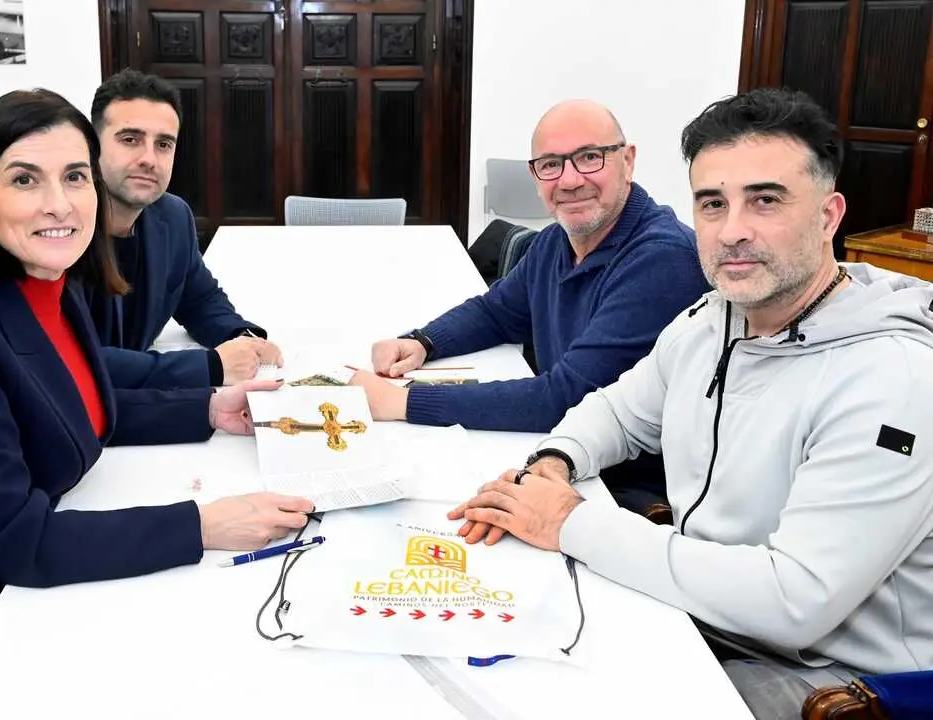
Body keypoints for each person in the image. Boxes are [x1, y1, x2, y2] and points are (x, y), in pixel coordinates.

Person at [452, 88, 933, 720]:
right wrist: (555, 461)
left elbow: (794, 601)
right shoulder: (713, 318)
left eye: (765, 200)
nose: (732, 231)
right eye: (713, 203)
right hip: (701, 611)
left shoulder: (892, 378)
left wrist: (569, 522)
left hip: (826, 676)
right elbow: (618, 410)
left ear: (827, 215)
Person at [0, 89, 313, 719]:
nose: (60, 203)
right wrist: (202, 525)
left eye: (75, 176)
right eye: (25, 179)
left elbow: (66, 405)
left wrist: (208, 409)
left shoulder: (47, 277)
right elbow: (17, 540)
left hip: (30, 597)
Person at [351, 99, 709, 510]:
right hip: (559, 454)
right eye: (551, 164)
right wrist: (423, 341)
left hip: (622, 494)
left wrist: (402, 402)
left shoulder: (663, 261)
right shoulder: (557, 241)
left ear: (627, 161)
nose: (569, 180)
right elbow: (497, 313)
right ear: (535, 177)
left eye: (589, 157)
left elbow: (565, 399)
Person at [85, 69, 282, 390]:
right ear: (92, 147)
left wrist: (241, 337)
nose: (149, 159)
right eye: (130, 139)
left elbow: (198, 298)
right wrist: (211, 366)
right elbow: (72, 363)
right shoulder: (62, 229)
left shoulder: (172, 216)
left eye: (164, 144)